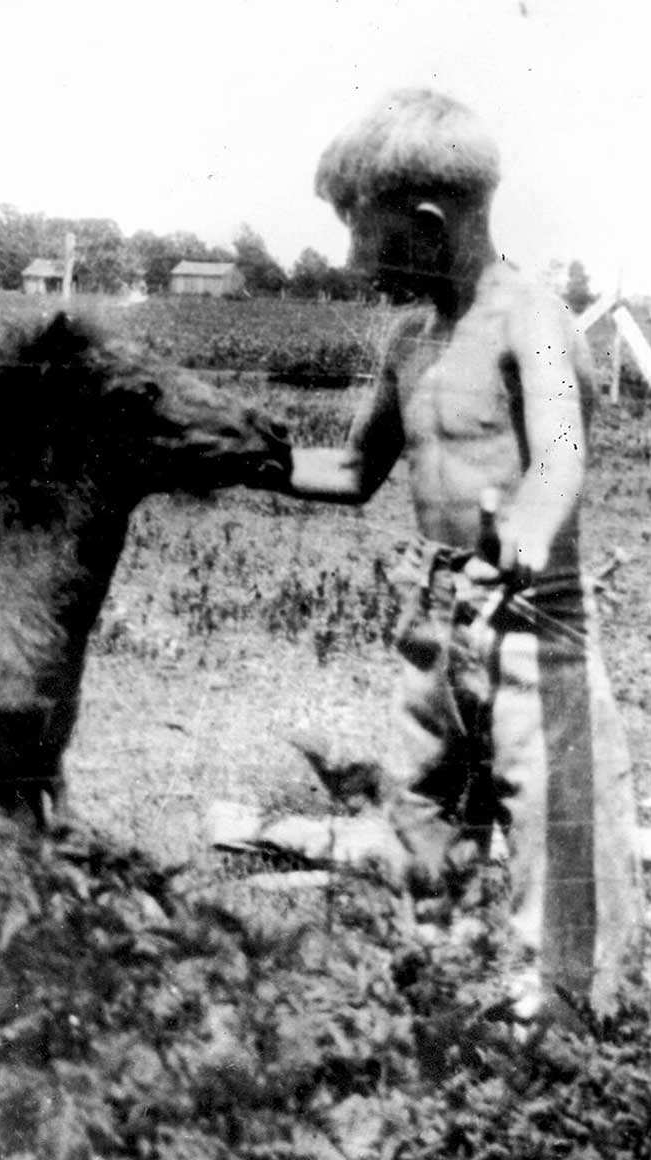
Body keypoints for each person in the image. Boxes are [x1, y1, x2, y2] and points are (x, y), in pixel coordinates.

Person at [289, 88, 643, 1022]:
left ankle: (568, 1029)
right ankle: (434, 1004)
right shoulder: (410, 337)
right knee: (421, 811)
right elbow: (353, 470)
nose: (352, 260)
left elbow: (560, 455)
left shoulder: (532, 317)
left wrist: (528, 525)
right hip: (436, 615)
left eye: (363, 233)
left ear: (429, 223)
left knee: (560, 824)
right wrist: (245, 455)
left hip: (531, 614)